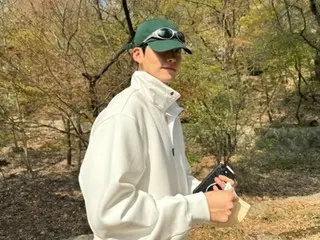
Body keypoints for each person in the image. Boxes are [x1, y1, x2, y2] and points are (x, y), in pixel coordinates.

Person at [79, 17, 250, 240]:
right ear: (137, 54)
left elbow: (177, 180)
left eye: (177, 52)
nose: (171, 57)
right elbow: (108, 213)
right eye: (162, 51)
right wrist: (196, 207)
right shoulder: (124, 114)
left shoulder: (167, 110)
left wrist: (207, 191)